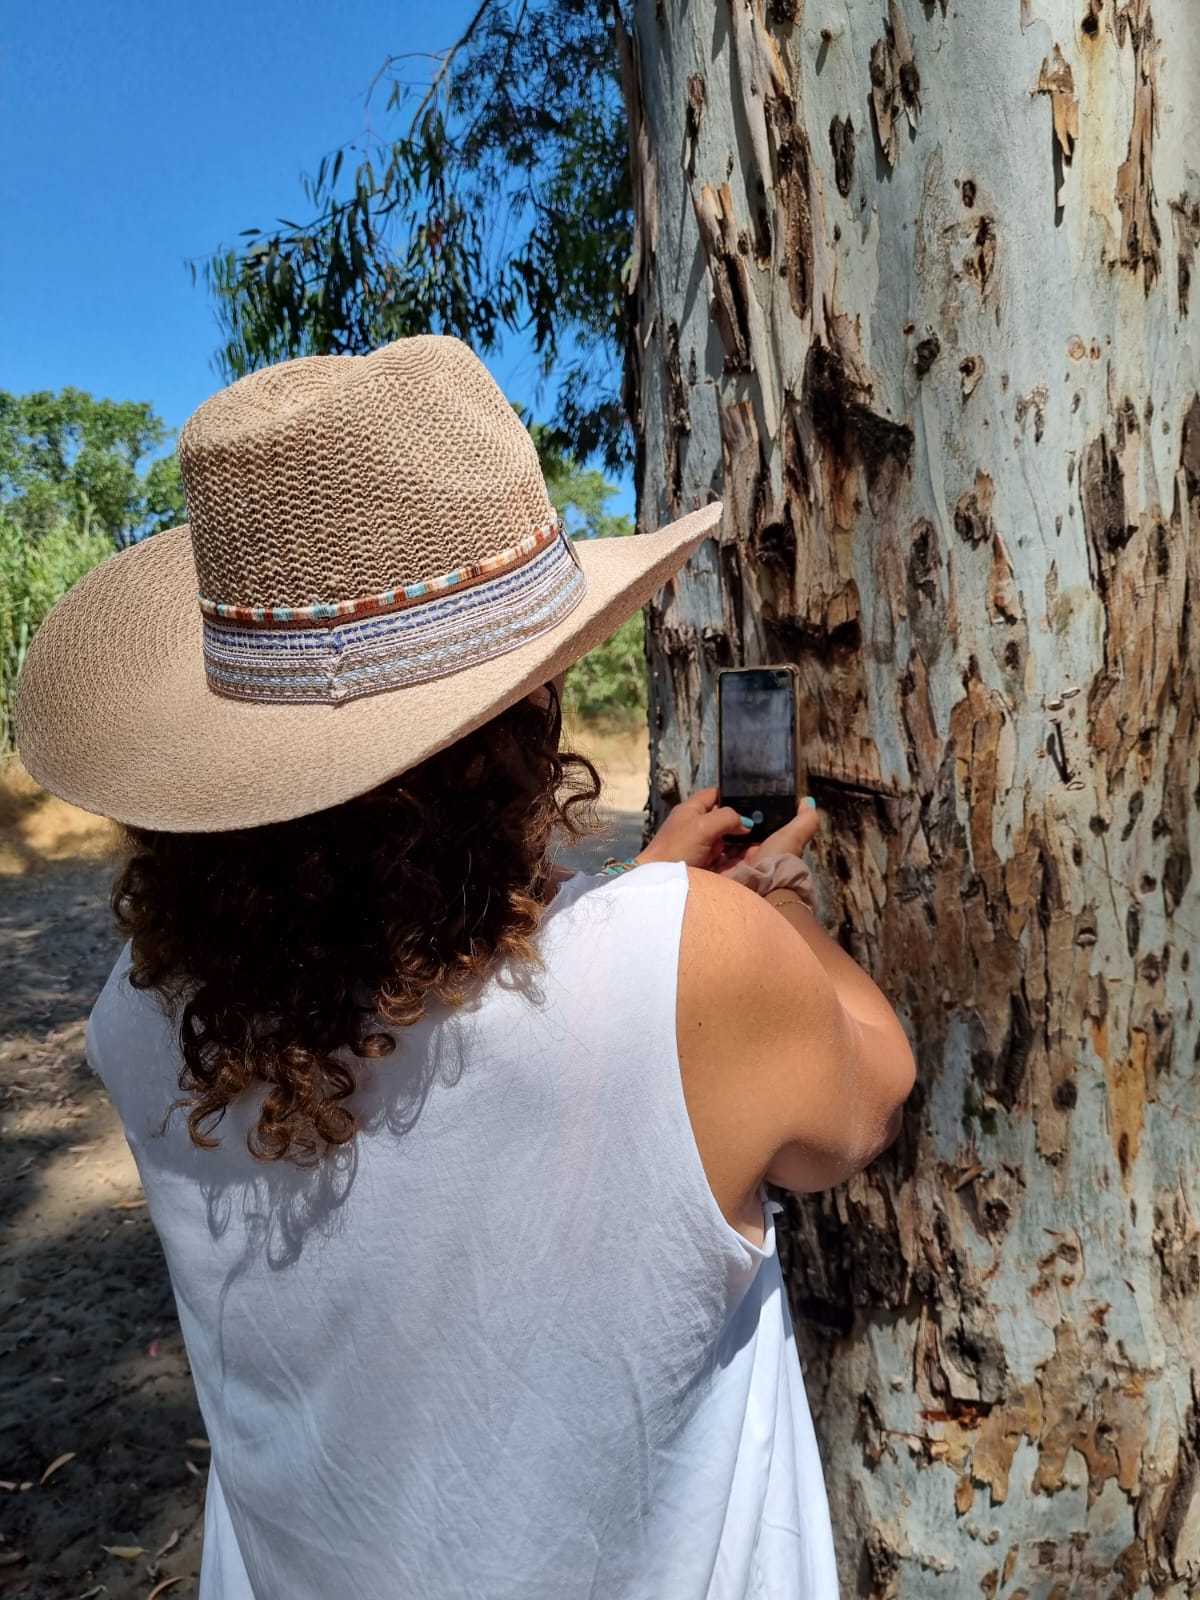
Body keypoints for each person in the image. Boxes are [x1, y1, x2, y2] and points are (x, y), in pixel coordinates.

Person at [16, 337, 914, 1600]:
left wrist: (641, 906)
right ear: (519, 723)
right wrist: (775, 914)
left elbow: (435, 1033)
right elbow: (870, 1090)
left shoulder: (141, 1017)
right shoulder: (690, 961)